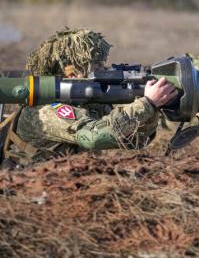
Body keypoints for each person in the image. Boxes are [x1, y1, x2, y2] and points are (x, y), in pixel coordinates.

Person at [2, 28, 177, 166]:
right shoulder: (46, 111)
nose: (103, 71)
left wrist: (152, 108)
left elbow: (133, 141)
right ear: (71, 74)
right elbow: (94, 137)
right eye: (94, 67)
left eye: (101, 65)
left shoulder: (88, 105)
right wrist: (146, 103)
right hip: (28, 188)